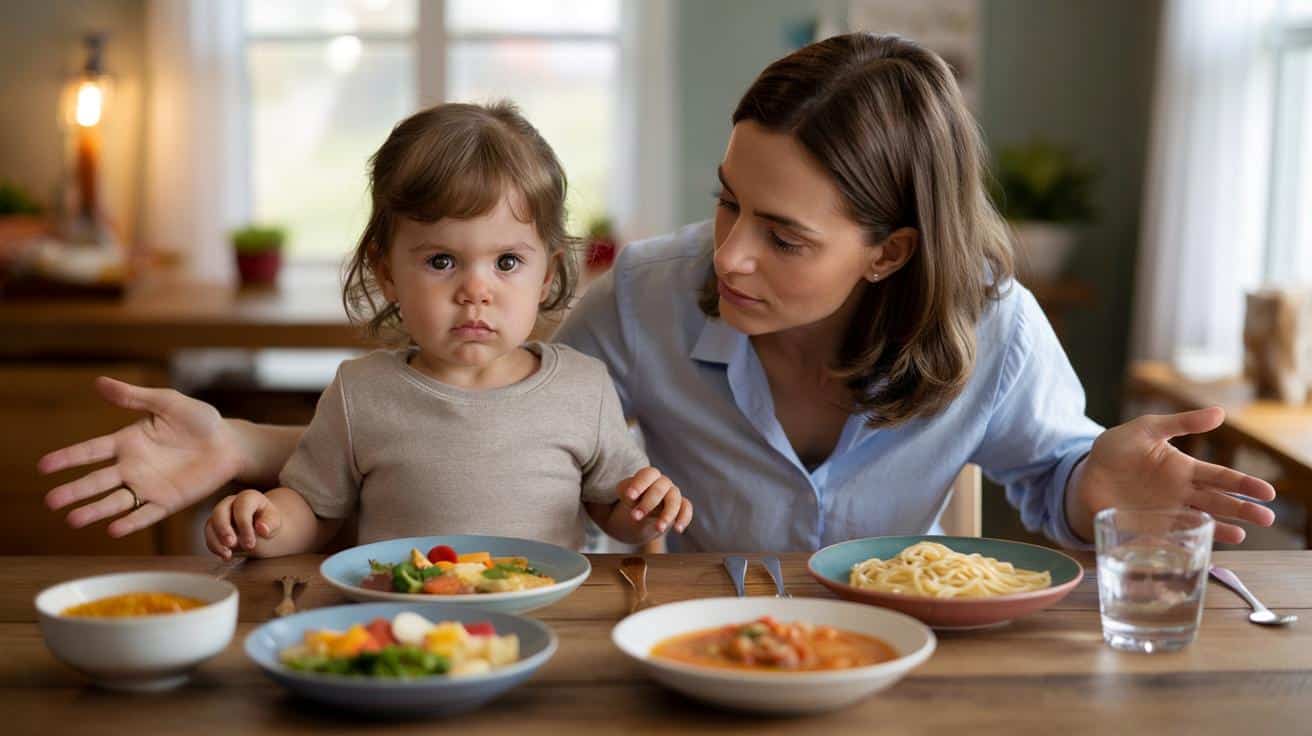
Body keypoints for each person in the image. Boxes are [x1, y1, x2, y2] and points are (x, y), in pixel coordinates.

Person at [41, 33, 1274, 553]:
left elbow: (1058, 479)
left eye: (782, 234)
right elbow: (477, 414)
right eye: (727, 198)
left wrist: (1089, 488)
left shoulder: (995, 328)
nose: (727, 254)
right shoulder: (649, 294)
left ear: (889, 252)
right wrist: (248, 448)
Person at [182, 101, 691, 559]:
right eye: (442, 260)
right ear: (388, 274)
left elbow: (617, 514)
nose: (476, 290)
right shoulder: (360, 392)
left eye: (508, 261)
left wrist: (644, 506)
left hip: (547, 629)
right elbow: (314, 512)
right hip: (408, 631)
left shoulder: (585, 388)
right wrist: (266, 521)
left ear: (548, 276)